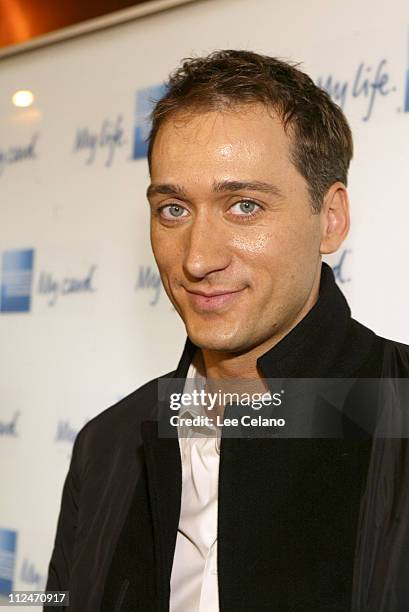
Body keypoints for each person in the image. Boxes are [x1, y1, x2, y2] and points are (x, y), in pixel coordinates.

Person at [45, 50, 409, 611]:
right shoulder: (109, 445)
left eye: (243, 205)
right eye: (173, 209)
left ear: (330, 218)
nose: (197, 258)